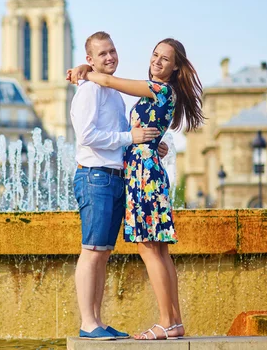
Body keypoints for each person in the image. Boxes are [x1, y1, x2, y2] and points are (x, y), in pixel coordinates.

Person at [68, 37, 205, 340]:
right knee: (159, 249)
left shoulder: (158, 89)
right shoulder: (157, 92)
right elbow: (135, 131)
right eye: (155, 55)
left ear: (175, 67)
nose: (157, 61)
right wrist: (153, 143)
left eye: (165, 59)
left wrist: (85, 70)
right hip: (144, 170)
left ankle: (167, 322)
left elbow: (109, 82)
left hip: (144, 174)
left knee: (149, 247)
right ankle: (174, 321)